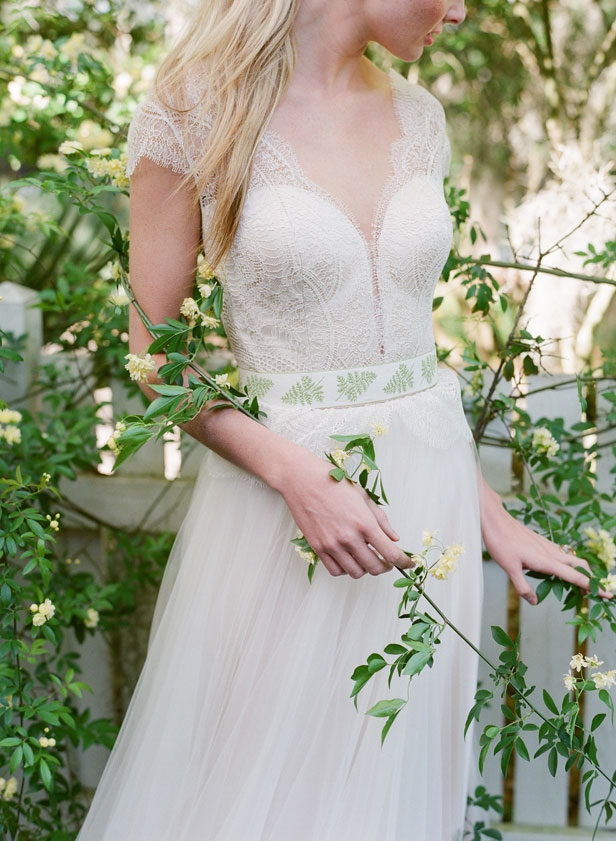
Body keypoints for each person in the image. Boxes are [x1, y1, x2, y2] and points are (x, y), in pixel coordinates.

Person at [77, 1, 593, 839]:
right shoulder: (191, 110)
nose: (461, 13)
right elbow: (154, 359)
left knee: (390, 805)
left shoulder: (421, 118)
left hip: (426, 524)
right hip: (284, 517)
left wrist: (485, 511)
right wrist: (296, 474)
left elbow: (410, 358)